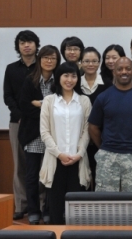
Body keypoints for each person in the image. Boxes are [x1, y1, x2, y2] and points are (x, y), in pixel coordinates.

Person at [89, 57, 132, 192]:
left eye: (128, 68)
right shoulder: (103, 97)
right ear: (114, 72)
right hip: (108, 156)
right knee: (105, 200)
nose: (124, 72)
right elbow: (93, 127)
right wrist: (104, 147)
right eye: (120, 69)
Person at [39, 62, 92, 225]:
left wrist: (79, 154)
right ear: (58, 77)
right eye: (66, 75)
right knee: (55, 207)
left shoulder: (84, 101)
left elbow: (87, 131)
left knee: (77, 209)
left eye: (73, 76)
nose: (70, 80)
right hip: (55, 160)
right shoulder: (49, 101)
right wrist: (59, 154)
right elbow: (44, 132)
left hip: (77, 160)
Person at [18, 45, 61, 224]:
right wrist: (46, 110)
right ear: (39, 59)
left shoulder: (60, 81)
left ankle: (48, 210)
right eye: (45, 57)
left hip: (54, 135)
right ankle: (33, 210)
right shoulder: (30, 80)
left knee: (52, 175)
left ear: (57, 60)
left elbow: (60, 107)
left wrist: (39, 104)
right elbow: (24, 106)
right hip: (33, 135)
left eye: (53, 58)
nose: (49, 61)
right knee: (32, 175)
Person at [3, 29, 40, 220]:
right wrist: (19, 115)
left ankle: (40, 203)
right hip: (17, 122)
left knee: (40, 164)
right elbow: (8, 96)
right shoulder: (11, 69)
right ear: (18, 46)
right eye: (22, 43)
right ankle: (21, 204)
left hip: (39, 122)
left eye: (30, 42)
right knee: (19, 165)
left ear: (36, 45)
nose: (26, 45)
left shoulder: (42, 66)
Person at [79, 47, 108, 186]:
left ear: (99, 63)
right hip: (79, 136)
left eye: (94, 61)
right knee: (81, 176)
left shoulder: (108, 84)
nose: (90, 64)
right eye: (86, 61)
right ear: (80, 63)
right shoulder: (74, 83)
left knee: (99, 175)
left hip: (101, 137)